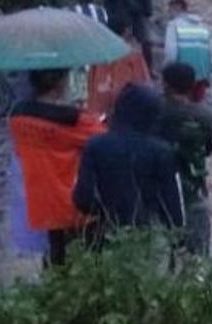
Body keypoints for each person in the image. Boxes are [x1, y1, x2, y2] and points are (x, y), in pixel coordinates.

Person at [10, 68, 106, 266]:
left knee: (56, 257)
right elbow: (104, 139)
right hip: (75, 202)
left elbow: (20, 152)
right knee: (89, 259)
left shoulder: (16, 117)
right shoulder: (73, 120)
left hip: (42, 201)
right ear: (61, 82)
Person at [74, 84, 185, 238]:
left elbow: (82, 198)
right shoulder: (161, 151)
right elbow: (173, 206)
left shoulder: (94, 145)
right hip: (149, 236)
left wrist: (106, 212)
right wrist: (177, 240)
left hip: (107, 234)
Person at [158, 63, 212, 255]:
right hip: (194, 189)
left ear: (165, 85)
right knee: (198, 255)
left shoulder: (155, 112)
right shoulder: (205, 115)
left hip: (161, 191)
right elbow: (208, 149)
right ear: (192, 85)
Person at [163, 0, 212, 103]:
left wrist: (165, 74)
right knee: (198, 108)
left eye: (170, 10)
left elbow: (171, 54)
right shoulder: (204, 26)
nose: (169, 14)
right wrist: (208, 77)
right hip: (201, 76)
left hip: (181, 77)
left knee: (180, 109)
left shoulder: (173, 26)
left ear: (176, 8)